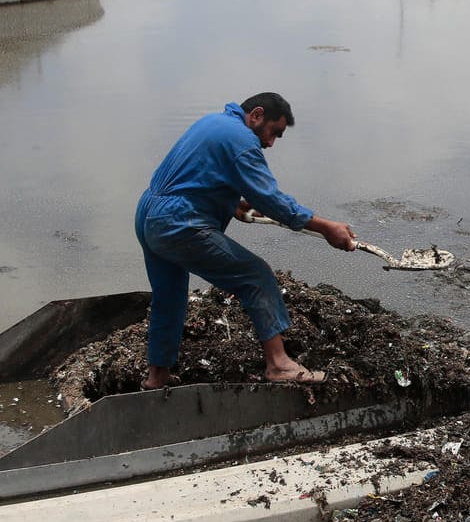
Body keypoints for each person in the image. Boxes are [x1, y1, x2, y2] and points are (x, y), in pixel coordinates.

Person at [134, 93, 357, 389]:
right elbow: (270, 198)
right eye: (273, 133)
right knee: (255, 276)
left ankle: (157, 377)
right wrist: (326, 227)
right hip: (178, 223)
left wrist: (232, 203)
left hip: (149, 214)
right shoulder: (242, 141)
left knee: (169, 295)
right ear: (256, 115)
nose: (270, 143)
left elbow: (196, 178)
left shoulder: (213, 123)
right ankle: (278, 365)